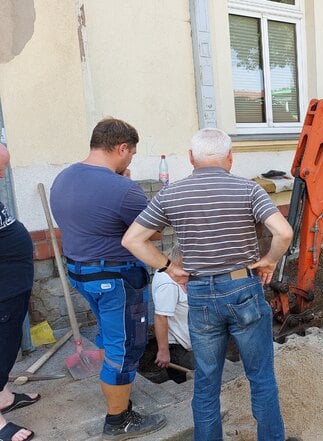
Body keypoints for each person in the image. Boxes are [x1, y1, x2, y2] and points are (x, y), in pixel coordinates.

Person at [122, 128, 296, 441]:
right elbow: (283, 233)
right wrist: (269, 260)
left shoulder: (171, 194)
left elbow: (132, 239)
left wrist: (169, 268)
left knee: (205, 383)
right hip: (243, 290)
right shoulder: (250, 190)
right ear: (230, 157)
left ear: (191, 158)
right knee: (260, 378)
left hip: (199, 294)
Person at [49, 119, 166, 440]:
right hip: (117, 280)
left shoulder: (64, 177)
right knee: (126, 346)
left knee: (109, 335)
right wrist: (130, 190)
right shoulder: (123, 189)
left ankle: (118, 391)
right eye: (132, 153)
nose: (131, 160)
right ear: (121, 147)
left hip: (81, 274)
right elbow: (152, 232)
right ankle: (118, 420)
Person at [0, 143, 37, 441]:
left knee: (8, 345)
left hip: (12, 289)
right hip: (3, 291)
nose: (2, 176)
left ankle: (3, 397)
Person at [150, 244, 193, 382]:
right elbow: (161, 317)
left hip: (190, 342)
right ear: (183, 260)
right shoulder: (168, 284)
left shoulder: (173, 271)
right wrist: (163, 351)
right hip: (179, 349)